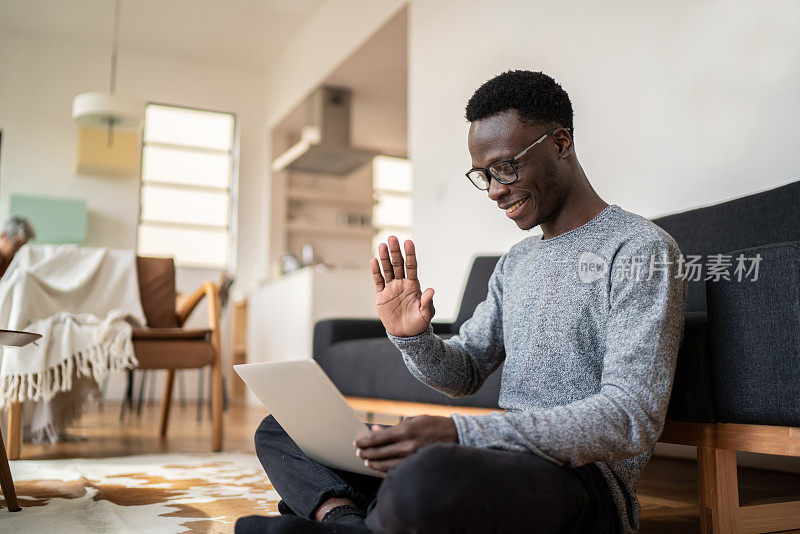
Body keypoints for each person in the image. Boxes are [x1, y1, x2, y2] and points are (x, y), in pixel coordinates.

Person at [238, 71, 686, 534]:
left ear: (560, 143)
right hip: (493, 460)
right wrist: (411, 337)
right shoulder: (516, 263)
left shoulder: (640, 250)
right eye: (483, 175)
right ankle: (349, 522)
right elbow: (464, 372)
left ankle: (348, 517)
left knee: (425, 476)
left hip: (580, 483)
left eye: (506, 167)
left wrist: (458, 433)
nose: (494, 190)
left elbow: (631, 415)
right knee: (282, 430)